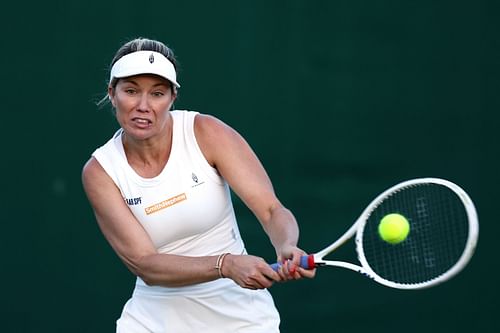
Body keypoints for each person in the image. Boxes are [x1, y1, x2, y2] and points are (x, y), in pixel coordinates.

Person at [82, 37, 315, 333]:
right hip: (153, 322)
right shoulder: (100, 171)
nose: (143, 106)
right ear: (112, 94)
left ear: (172, 97)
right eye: (131, 91)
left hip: (242, 319)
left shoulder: (207, 133)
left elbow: (271, 210)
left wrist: (287, 244)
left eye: (157, 93)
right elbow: (145, 264)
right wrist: (225, 265)